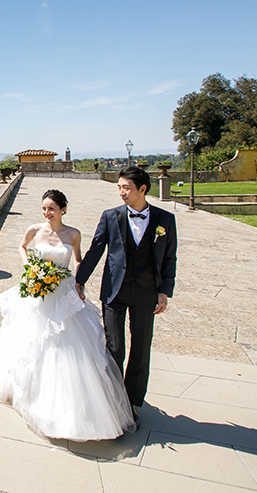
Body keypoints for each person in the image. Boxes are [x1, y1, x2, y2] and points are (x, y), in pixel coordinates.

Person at [0, 189, 136, 441]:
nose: (47, 213)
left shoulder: (73, 234)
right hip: (37, 293)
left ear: (63, 209)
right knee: (34, 341)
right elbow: (22, 246)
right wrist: (29, 267)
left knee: (67, 345)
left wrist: (79, 284)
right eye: (44, 208)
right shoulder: (35, 229)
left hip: (63, 294)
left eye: (51, 208)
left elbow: (79, 260)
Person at [75, 167, 177, 428]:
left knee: (141, 348)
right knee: (115, 348)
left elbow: (169, 258)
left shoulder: (165, 220)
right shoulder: (110, 217)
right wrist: (79, 281)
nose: (122, 192)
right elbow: (95, 250)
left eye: (126, 188)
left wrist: (164, 291)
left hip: (146, 293)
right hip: (114, 292)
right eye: (119, 187)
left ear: (143, 189)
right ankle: (112, 399)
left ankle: (130, 403)